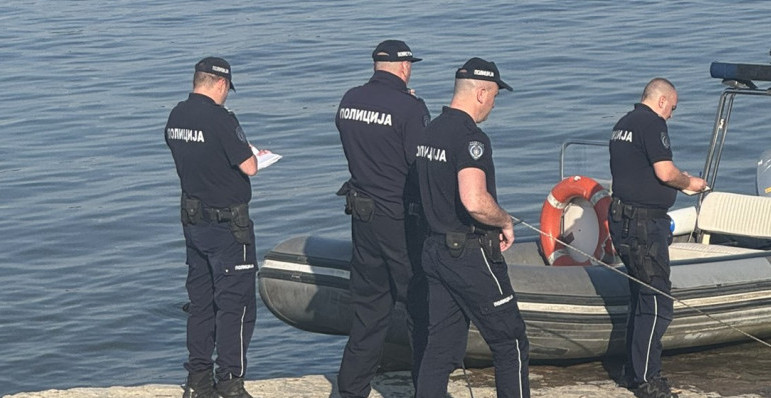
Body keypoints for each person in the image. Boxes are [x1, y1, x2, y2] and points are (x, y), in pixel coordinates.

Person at [414, 57, 530, 398]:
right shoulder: (470, 138)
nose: (493, 104)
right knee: (510, 341)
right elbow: (475, 201)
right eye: (494, 96)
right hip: (468, 252)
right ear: (481, 93)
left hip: (434, 248)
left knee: (440, 347)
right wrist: (505, 221)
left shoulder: (430, 131)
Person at [166, 56, 269, 398]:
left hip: (194, 223)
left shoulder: (177, 116)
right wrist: (253, 155)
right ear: (221, 84)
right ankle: (230, 382)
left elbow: (197, 156)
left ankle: (198, 380)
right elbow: (250, 167)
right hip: (228, 228)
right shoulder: (221, 119)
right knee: (236, 306)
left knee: (201, 302)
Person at [335, 39, 430, 398]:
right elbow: (420, 165)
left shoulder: (349, 100)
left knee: (369, 309)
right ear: (404, 67)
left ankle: (351, 390)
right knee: (419, 304)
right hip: (398, 218)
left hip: (362, 216)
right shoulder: (410, 108)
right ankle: (428, 388)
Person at [608, 78, 707, 398]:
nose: (671, 115)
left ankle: (632, 371)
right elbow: (665, 172)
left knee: (641, 296)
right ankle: (647, 379)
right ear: (662, 100)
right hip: (643, 225)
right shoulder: (652, 124)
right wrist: (689, 183)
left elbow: (637, 174)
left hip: (622, 219)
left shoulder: (623, 124)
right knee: (657, 302)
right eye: (672, 108)